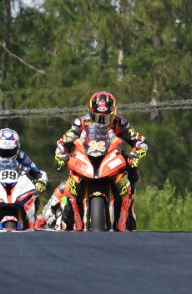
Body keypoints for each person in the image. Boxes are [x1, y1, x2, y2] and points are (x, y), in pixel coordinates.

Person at [53, 91, 148, 231]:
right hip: (87, 157)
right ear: (91, 113)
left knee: (132, 169)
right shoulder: (81, 123)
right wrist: (62, 154)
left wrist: (135, 153)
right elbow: (64, 141)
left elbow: (139, 140)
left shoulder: (121, 122)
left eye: (107, 117)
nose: (103, 121)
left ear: (113, 113)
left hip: (112, 157)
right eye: (99, 117)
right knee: (70, 181)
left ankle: (129, 203)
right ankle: (69, 213)